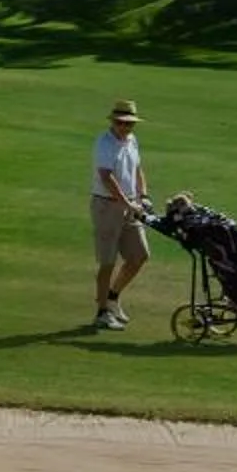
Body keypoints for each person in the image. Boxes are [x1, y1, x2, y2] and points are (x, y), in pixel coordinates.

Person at [90, 99, 151, 330]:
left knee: (139, 256)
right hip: (107, 206)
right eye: (120, 123)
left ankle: (113, 298)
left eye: (129, 124)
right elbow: (107, 177)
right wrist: (127, 202)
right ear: (113, 122)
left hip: (131, 205)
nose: (125, 128)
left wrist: (143, 196)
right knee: (108, 262)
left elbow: (137, 169)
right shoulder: (104, 143)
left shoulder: (132, 140)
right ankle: (102, 312)